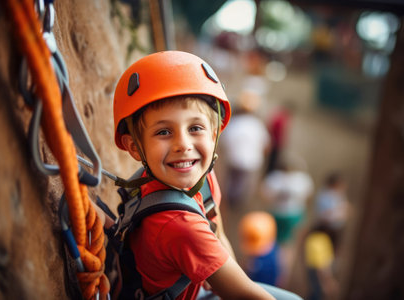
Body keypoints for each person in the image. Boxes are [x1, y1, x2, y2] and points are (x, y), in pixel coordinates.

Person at [105, 51, 301, 300]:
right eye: (164, 132)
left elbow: (217, 232)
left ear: (214, 132)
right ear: (134, 146)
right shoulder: (181, 226)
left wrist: (221, 270)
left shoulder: (201, 180)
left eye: (195, 128)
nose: (183, 145)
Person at [220, 88, 271, 209]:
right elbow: (266, 144)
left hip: (233, 158)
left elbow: (224, 141)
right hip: (251, 161)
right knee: (243, 183)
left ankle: (232, 199)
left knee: (233, 181)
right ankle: (237, 201)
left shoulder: (234, 122)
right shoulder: (257, 124)